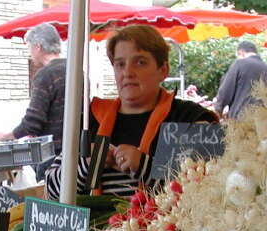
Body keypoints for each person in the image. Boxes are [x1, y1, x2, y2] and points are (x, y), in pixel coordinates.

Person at [46, 24, 218, 200]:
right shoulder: (89, 120)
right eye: (120, 64)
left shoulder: (191, 120)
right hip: (97, 227)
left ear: (163, 70)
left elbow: (210, 191)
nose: (127, 72)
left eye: (140, 62)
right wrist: (86, 165)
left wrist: (145, 166)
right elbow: (51, 191)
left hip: (165, 227)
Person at [0, 23, 66, 169]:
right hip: (76, 152)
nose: (29, 53)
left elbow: (33, 122)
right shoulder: (76, 70)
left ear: (38, 47)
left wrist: (6, 136)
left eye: (29, 47)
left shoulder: (45, 75)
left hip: (53, 156)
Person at [214, 41, 267, 120]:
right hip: (262, 120)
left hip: (240, 119)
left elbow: (225, 92)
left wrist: (218, 109)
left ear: (241, 53)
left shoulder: (240, 63)